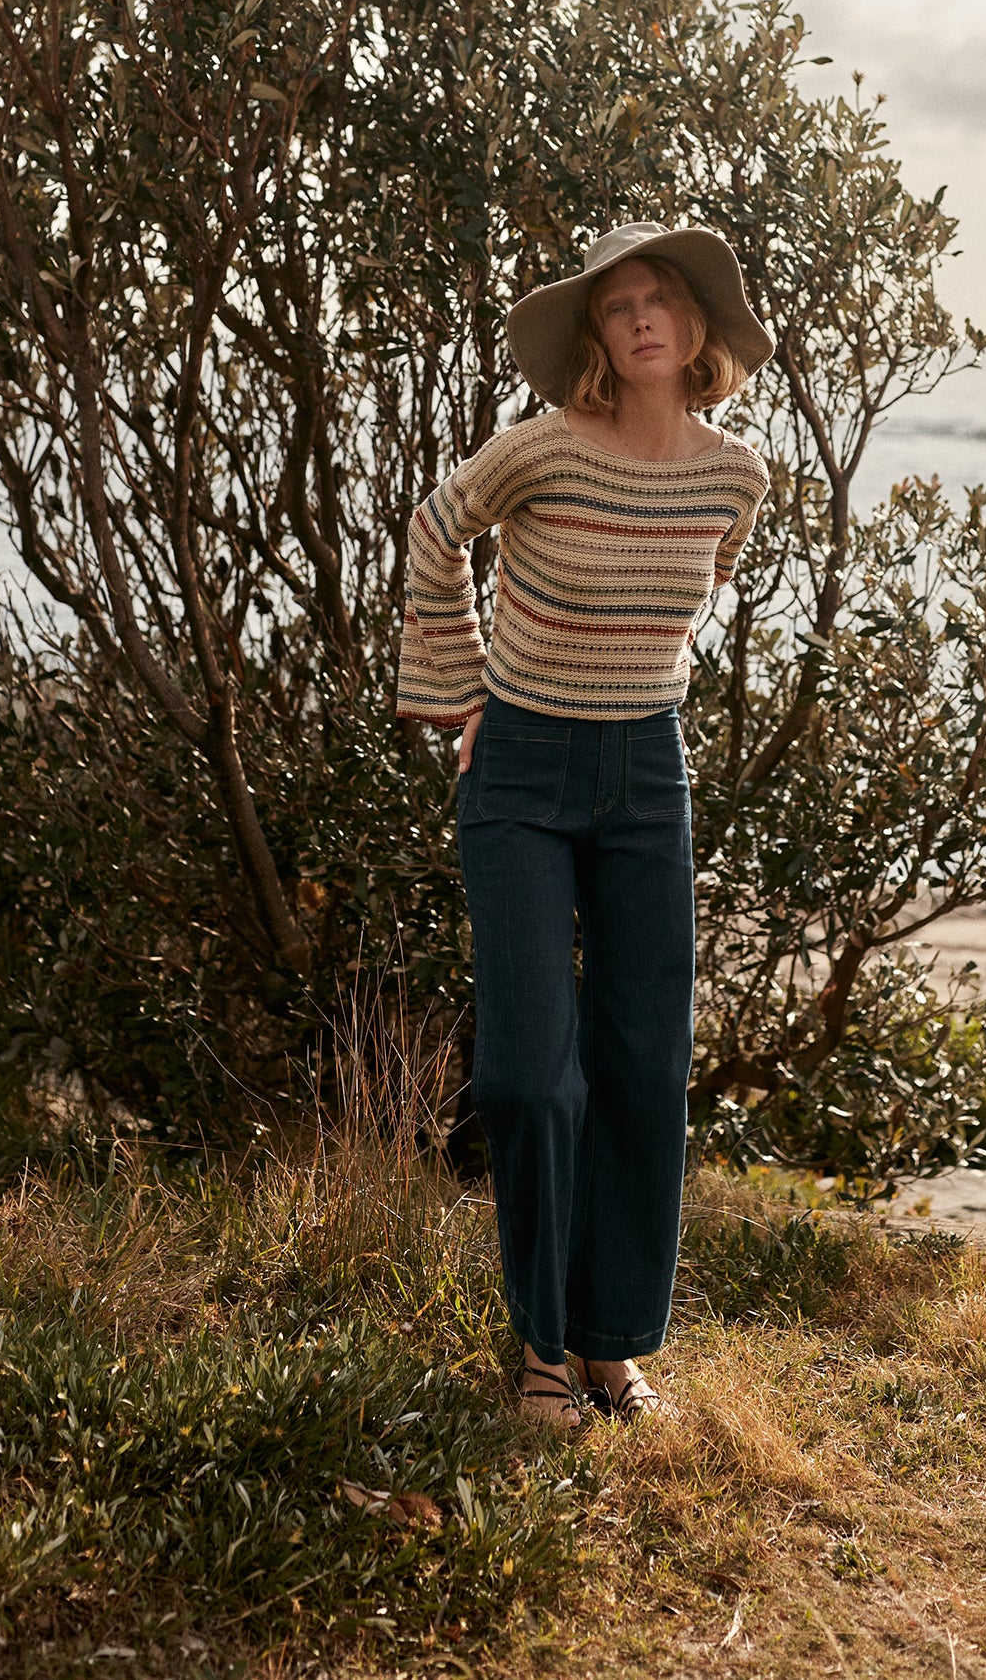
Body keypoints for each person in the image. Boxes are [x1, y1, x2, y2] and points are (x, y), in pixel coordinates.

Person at [396, 222, 772, 1427]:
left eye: (661, 300)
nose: (642, 319)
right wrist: (459, 690)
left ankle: (613, 1350)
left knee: (645, 1064)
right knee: (527, 1078)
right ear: (598, 339)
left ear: (697, 327)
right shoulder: (543, 450)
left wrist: (631, 682)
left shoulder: (736, 476)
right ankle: (542, 1350)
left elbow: (688, 604)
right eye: (618, 308)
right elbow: (434, 530)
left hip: (645, 776)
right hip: (517, 769)